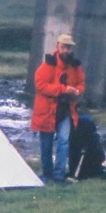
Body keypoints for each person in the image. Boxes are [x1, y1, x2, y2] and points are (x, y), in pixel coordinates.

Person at [31, 32, 85, 182]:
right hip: (47, 111)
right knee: (46, 145)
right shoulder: (47, 65)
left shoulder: (75, 66)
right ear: (58, 47)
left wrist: (77, 91)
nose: (66, 51)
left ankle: (59, 175)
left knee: (64, 142)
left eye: (68, 48)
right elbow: (40, 85)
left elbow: (81, 83)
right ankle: (48, 174)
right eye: (63, 47)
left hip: (66, 110)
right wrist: (63, 89)